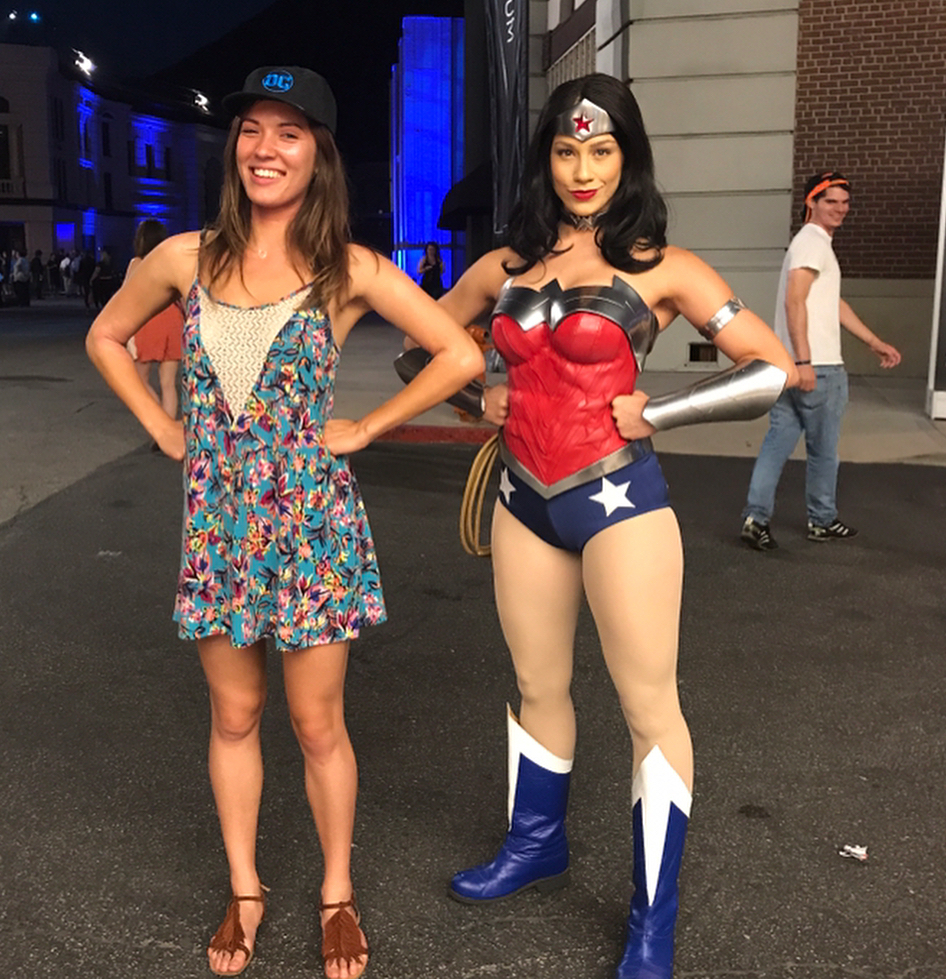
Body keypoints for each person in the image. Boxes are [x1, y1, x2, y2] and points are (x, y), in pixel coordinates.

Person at [86, 65, 482, 979]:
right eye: (252, 130)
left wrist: (370, 426)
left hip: (312, 525)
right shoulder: (182, 257)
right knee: (234, 715)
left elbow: (458, 351)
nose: (265, 149)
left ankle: (337, 893)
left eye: (289, 132)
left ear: (319, 154)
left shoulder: (348, 267)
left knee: (316, 724)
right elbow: (106, 336)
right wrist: (161, 427)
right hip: (218, 525)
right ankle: (245, 889)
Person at [426, 74, 796, 979]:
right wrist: (478, 396)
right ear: (545, 159)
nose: (582, 169)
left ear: (627, 157)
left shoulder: (664, 267)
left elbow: (771, 367)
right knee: (537, 682)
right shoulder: (507, 265)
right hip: (524, 496)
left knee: (648, 704)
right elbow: (421, 343)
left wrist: (660, 412)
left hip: (619, 499)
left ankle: (650, 918)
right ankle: (535, 844)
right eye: (565, 151)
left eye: (600, 150)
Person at [740, 172, 901, 550]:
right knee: (823, 452)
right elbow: (794, 301)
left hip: (789, 365)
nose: (840, 209)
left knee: (776, 444)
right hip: (817, 366)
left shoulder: (811, 244)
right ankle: (822, 520)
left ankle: (755, 519)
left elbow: (832, 302)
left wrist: (873, 341)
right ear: (811, 202)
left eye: (845, 202)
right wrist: (805, 361)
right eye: (831, 201)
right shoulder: (812, 243)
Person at [123, 219, 182, 435]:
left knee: (140, 380)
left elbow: (125, 298)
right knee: (168, 383)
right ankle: (168, 429)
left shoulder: (137, 263)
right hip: (173, 319)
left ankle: (160, 425)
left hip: (148, 320)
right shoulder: (171, 262)